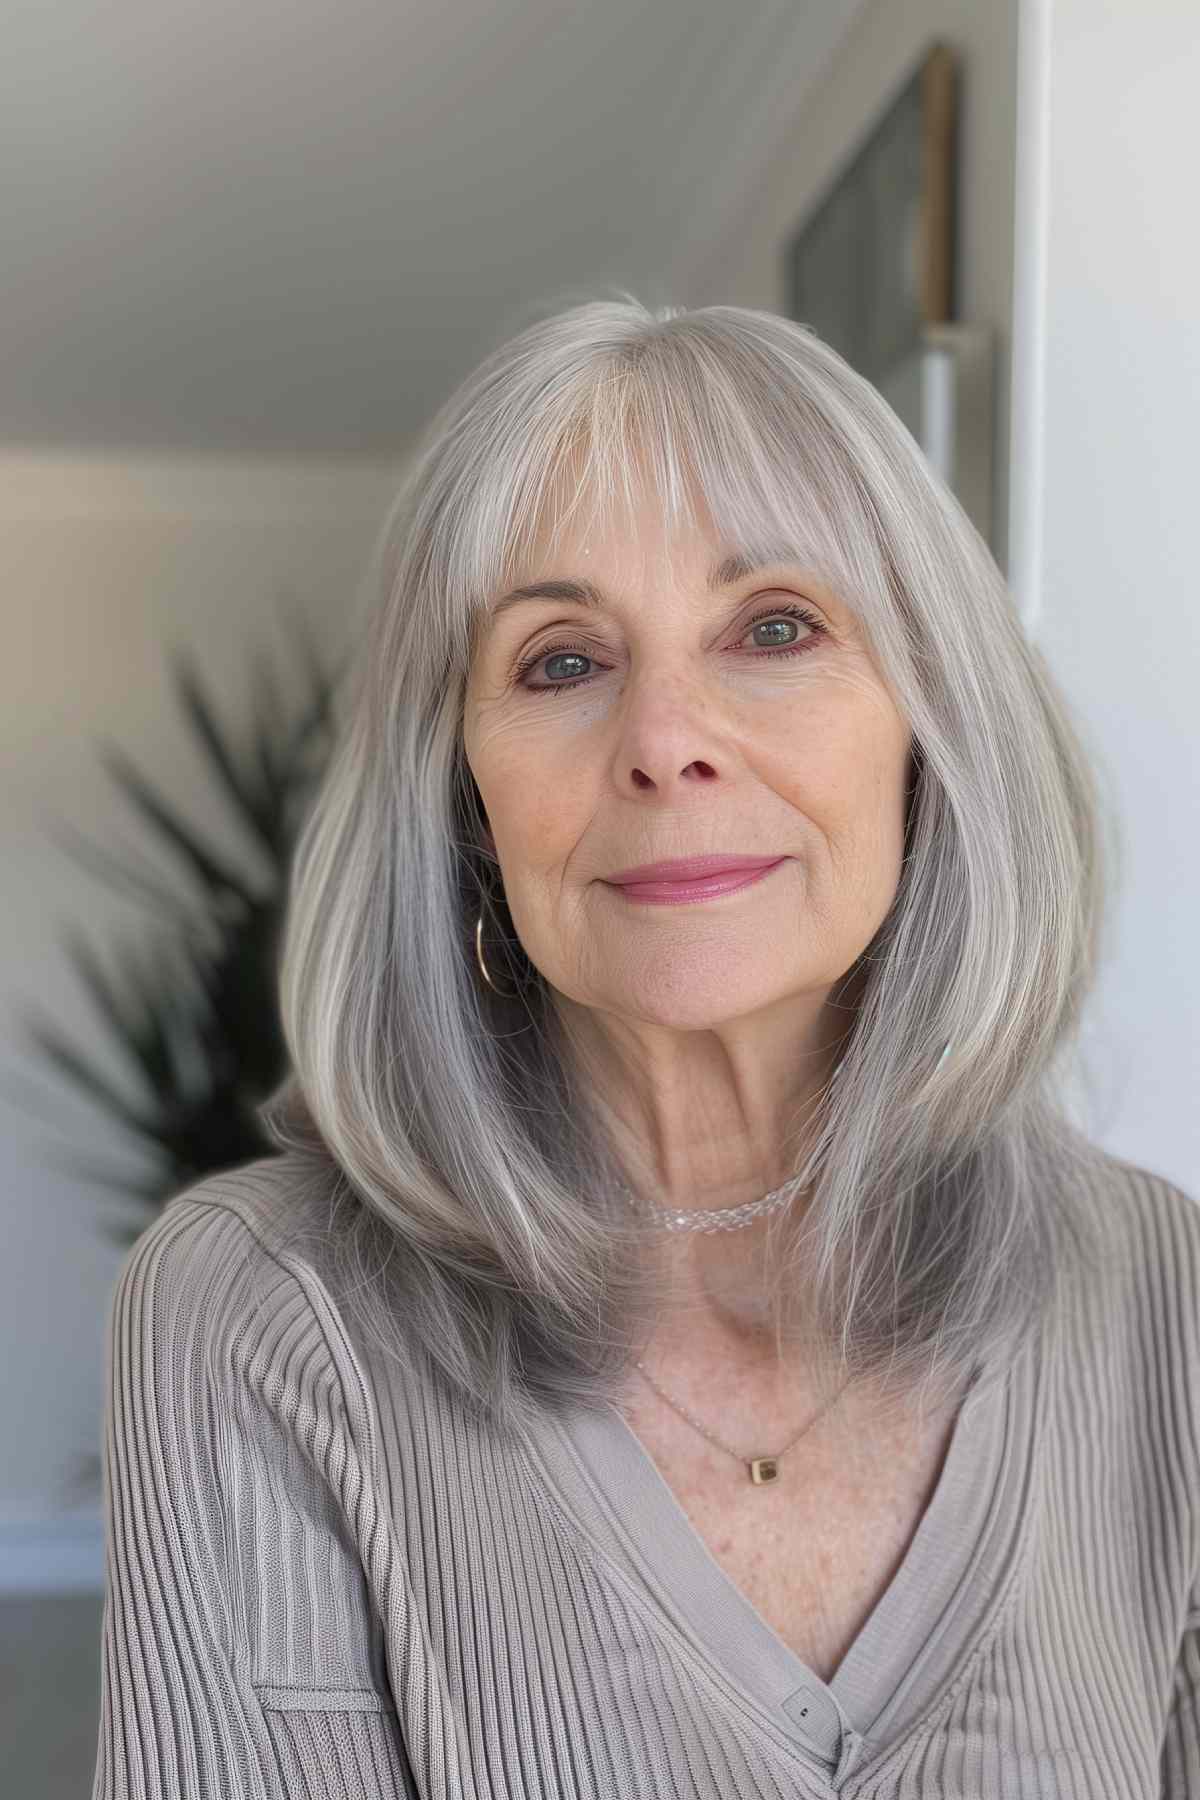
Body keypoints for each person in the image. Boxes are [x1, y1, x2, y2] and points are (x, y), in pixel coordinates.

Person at [91, 294, 1200, 1799]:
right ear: (464, 803)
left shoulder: (1163, 1302)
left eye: (775, 628)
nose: (665, 735)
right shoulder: (262, 1319)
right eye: (560, 661)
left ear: (932, 733)